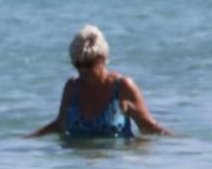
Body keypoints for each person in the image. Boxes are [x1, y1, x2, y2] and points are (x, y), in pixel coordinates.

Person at [29, 25, 172, 139]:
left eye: (89, 64)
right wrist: (28, 139)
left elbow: (148, 127)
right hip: (75, 167)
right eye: (78, 65)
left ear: (102, 59)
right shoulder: (72, 88)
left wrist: (180, 143)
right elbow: (60, 125)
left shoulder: (122, 87)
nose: (83, 70)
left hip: (113, 168)